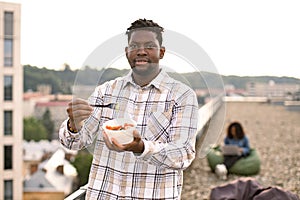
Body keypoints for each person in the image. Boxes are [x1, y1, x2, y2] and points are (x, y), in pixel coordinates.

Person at [59, 18, 199, 199]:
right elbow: (73, 143)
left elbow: (183, 154)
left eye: (149, 46)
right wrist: (73, 124)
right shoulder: (105, 92)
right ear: (127, 52)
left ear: (161, 52)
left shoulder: (182, 95)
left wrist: (140, 147)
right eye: (134, 46)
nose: (141, 51)